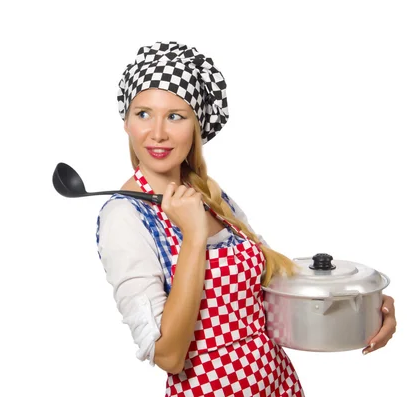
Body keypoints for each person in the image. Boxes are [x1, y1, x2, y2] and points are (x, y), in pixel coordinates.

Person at [95, 41, 397, 396]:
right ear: (127, 122)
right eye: (143, 113)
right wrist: (193, 238)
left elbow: (271, 292)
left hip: (278, 384)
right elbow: (170, 357)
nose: (157, 132)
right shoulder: (124, 218)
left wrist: (362, 307)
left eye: (175, 115)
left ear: (196, 126)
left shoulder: (211, 197)